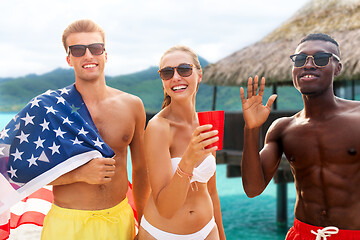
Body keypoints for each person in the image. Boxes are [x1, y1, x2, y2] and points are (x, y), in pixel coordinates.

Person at [240, 33, 360, 239]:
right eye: (300, 59)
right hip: (302, 234)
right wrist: (251, 129)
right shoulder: (283, 128)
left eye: (321, 58)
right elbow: (253, 188)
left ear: (338, 68)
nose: (308, 65)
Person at [40, 19, 150, 239]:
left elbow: (141, 170)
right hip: (67, 225)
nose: (88, 56)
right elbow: (26, 172)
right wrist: (79, 174)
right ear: (69, 59)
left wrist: (145, 223)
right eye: (78, 50)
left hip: (118, 221)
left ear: (105, 54)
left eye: (95, 48)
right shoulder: (52, 108)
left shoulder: (133, 105)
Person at [137, 45, 226, 240]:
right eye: (167, 73)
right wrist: (188, 159)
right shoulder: (158, 128)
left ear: (199, 74)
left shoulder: (207, 123)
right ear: (163, 82)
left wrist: (221, 234)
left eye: (184, 69)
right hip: (162, 234)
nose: (175, 77)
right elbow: (166, 208)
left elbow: (211, 191)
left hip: (208, 230)